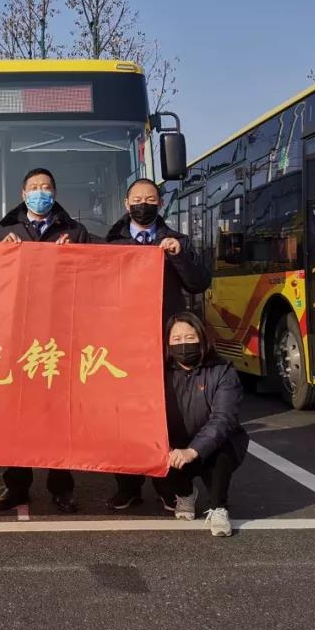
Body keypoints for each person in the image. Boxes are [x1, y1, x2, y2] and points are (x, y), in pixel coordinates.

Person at [103, 178, 212, 513]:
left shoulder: (177, 240)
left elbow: (198, 282)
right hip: (124, 342)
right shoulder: (111, 243)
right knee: (125, 416)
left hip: (165, 342)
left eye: (150, 198)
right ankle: (128, 485)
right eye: (137, 199)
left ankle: (167, 485)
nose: (143, 204)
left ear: (160, 203)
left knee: (165, 415)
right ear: (126, 204)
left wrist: (179, 256)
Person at [0, 167, 89, 514]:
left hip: (59, 335)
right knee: (15, 414)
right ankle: (16, 486)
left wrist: (75, 255)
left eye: (46, 187)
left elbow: (94, 276)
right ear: (23, 194)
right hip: (17, 334)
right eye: (33, 187)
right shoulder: (3, 230)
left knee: (57, 414)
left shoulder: (74, 231)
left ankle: (61, 487)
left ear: (55, 193)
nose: (40, 192)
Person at [156, 310, 249, 537]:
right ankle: (185, 494)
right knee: (163, 460)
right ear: (167, 343)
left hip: (214, 443)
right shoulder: (159, 371)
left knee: (220, 454)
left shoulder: (222, 370)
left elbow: (223, 418)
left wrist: (193, 451)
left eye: (190, 337)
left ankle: (219, 507)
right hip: (175, 442)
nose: (183, 344)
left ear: (202, 338)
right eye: (176, 339)